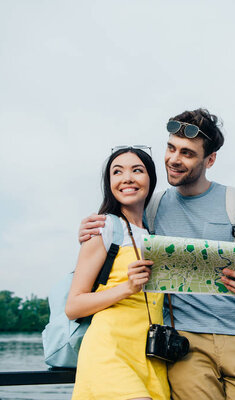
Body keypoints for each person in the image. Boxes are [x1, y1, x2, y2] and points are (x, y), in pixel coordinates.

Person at [79, 109, 235, 400]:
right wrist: (89, 229)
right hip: (184, 344)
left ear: (209, 160)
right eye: (171, 148)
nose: (174, 159)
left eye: (187, 153)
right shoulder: (152, 207)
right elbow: (118, 232)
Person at [66, 146, 169, 400]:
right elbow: (74, 305)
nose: (127, 178)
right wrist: (127, 288)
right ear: (109, 182)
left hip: (152, 357)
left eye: (137, 170)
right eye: (117, 172)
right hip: (109, 350)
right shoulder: (103, 227)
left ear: (150, 179)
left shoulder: (156, 233)